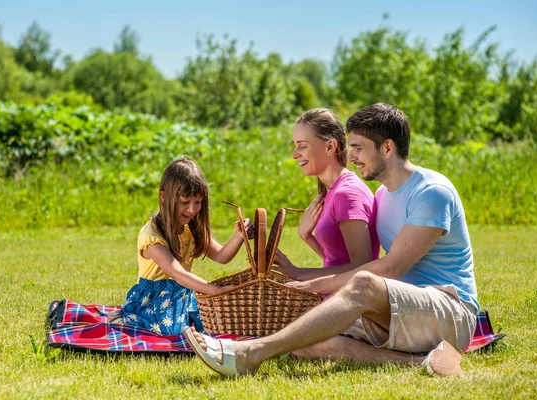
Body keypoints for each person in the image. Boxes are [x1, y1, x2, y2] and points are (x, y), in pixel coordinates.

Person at [183, 103, 478, 377]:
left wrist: (311, 283)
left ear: (387, 148)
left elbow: (388, 270)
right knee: (303, 334)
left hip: (450, 310)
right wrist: (307, 243)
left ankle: (250, 354)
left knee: (362, 283)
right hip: (401, 308)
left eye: (360, 148)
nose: (351, 157)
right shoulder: (382, 196)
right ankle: (423, 362)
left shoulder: (432, 193)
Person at [110, 156, 253, 335]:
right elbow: (177, 273)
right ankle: (124, 319)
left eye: (198, 202)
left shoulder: (191, 229)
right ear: (164, 197)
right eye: (185, 202)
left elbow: (222, 256)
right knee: (172, 332)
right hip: (153, 300)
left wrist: (239, 235)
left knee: (214, 326)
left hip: (182, 297)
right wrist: (216, 290)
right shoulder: (152, 237)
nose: (192, 209)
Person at [272, 108, 380, 287]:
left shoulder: (347, 194)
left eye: (302, 146)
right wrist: (306, 236)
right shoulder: (332, 191)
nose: (294, 154)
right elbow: (338, 260)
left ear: (330, 147)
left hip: (349, 306)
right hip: (333, 297)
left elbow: (362, 269)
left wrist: (298, 273)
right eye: (294, 145)